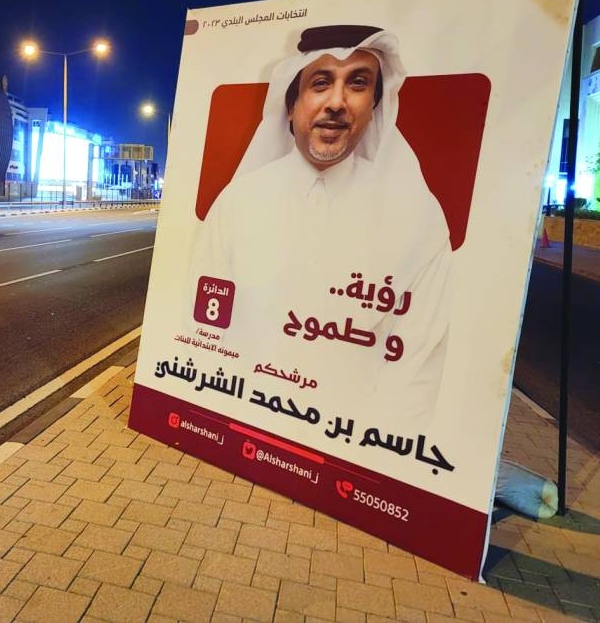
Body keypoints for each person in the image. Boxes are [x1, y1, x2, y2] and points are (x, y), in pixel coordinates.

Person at [192, 25, 452, 428]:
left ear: (374, 106)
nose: (337, 102)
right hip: (239, 418)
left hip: (351, 440)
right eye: (320, 82)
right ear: (292, 105)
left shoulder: (417, 214)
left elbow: (419, 361)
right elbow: (203, 329)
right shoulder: (238, 202)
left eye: (358, 84)